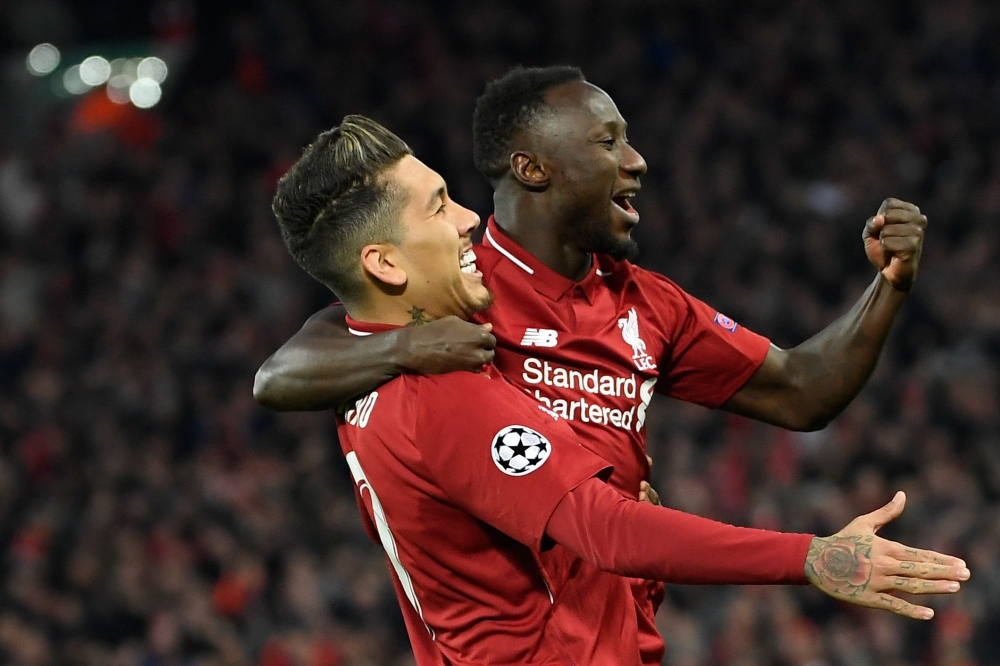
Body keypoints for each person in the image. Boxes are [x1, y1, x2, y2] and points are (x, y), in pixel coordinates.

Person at [255, 67, 931, 664]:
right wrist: (810, 556)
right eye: (607, 142)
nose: (635, 161)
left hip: (618, 625)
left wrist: (889, 287)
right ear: (533, 167)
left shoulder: (646, 303)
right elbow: (279, 374)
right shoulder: (454, 314)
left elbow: (804, 392)